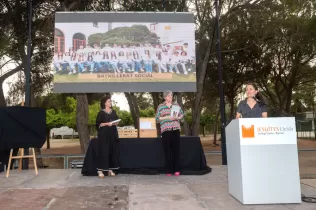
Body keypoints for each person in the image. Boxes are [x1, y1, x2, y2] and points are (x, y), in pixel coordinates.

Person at [155, 90, 184, 176]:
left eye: (171, 96)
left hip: (175, 129)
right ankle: (168, 170)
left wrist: (178, 117)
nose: (170, 97)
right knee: (167, 151)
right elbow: (157, 119)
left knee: (176, 150)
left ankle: (177, 169)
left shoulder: (176, 105)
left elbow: (182, 115)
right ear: (164, 97)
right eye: (168, 96)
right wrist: (168, 117)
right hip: (165, 130)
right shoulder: (160, 106)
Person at [95, 96, 120, 178]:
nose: (110, 103)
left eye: (110, 101)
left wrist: (116, 123)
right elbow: (98, 124)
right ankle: (100, 170)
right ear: (104, 103)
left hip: (112, 134)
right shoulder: (101, 113)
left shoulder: (114, 112)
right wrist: (107, 124)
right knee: (103, 151)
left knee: (111, 151)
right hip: (103, 135)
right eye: (109, 101)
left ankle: (110, 169)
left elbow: (116, 121)